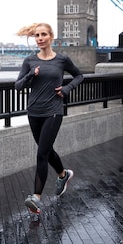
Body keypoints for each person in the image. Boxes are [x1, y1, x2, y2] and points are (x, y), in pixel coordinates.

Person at [15, 22, 84, 214]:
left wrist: (67, 88)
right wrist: (30, 74)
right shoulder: (29, 61)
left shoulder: (62, 60)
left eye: (43, 34)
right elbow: (18, 86)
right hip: (34, 112)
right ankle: (63, 175)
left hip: (53, 111)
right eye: (37, 35)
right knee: (46, 150)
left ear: (51, 37)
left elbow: (79, 76)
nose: (40, 38)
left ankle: (35, 197)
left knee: (41, 154)